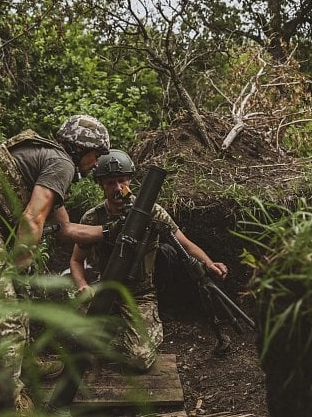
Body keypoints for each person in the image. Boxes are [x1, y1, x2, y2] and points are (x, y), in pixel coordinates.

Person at [0, 115, 112, 411]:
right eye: (96, 154)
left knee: (16, 298)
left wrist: (111, 230)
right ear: (80, 149)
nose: (96, 162)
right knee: (5, 315)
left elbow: (66, 230)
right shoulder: (62, 164)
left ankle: (26, 364)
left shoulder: (49, 157)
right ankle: (8, 402)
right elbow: (33, 219)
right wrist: (19, 269)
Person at [69, 149, 230, 373]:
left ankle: (127, 335)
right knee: (75, 337)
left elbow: (184, 243)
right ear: (101, 185)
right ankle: (114, 334)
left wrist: (209, 263)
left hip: (140, 295)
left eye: (122, 181)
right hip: (105, 290)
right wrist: (83, 286)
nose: (117, 189)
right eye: (110, 183)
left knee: (139, 359)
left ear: (130, 181)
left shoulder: (151, 212)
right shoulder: (92, 218)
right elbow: (76, 261)